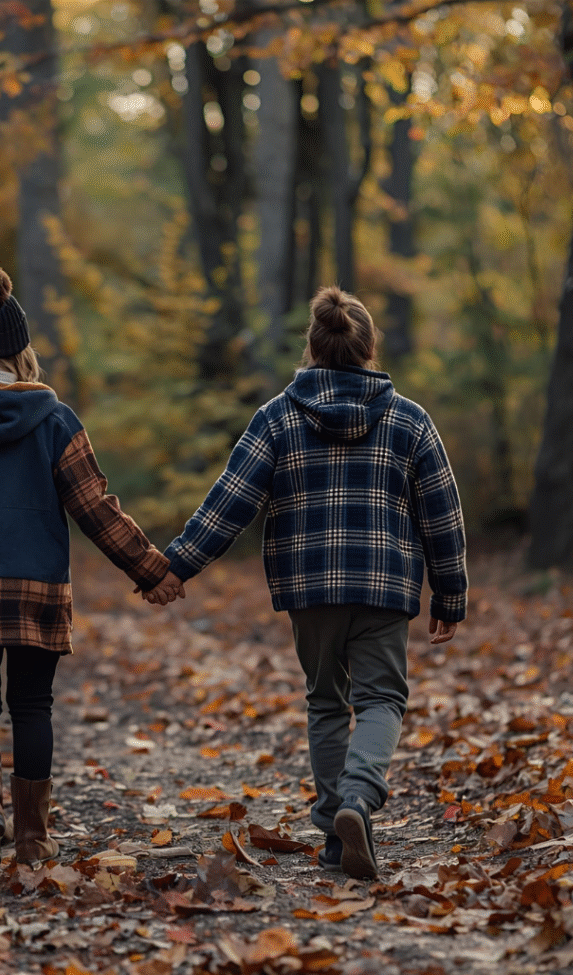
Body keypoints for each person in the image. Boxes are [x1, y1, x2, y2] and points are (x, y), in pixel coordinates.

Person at [143, 285, 467, 879]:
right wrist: (450, 593)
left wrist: (175, 566)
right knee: (382, 698)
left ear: (312, 350)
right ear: (369, 349)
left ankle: (336, 832)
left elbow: (230, 504)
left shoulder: (278, 416)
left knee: (326, 700)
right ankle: (358, 802)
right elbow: (441, 514)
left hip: (310, 587)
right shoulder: (410, 420)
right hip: (385, 586)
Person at [0, 266, 182, 874]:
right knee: (32, 707)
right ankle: (31, 837)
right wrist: (153, 570)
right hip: (36, 588)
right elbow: (96, 509)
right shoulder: (55, 422)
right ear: (23, 351)